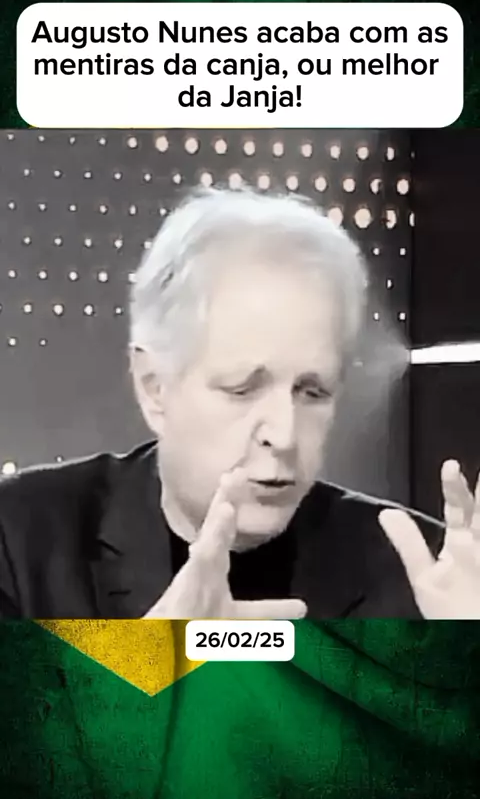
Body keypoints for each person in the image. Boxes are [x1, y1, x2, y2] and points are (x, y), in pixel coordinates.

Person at [0, 186, 478, 619]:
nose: (284, 435)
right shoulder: (18, 542)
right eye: (242, 389)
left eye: (312, 392)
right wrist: (150, 666)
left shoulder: (430, 577)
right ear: (154, 388)